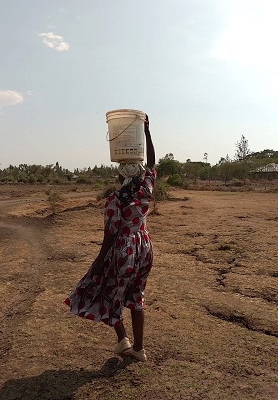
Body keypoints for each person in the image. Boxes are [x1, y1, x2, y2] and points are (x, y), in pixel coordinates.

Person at [65, 114, 156, 362]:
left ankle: (122, 338)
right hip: (145, 247)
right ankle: (139, 349)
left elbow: (110, 236)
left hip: (124, 249)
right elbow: (152, 163)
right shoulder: (146, 190)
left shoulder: (115, 201)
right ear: (139, 174)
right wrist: (146, 132)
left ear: (120, 176)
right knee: (137, 296)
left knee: (111, 293)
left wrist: (98, 262)